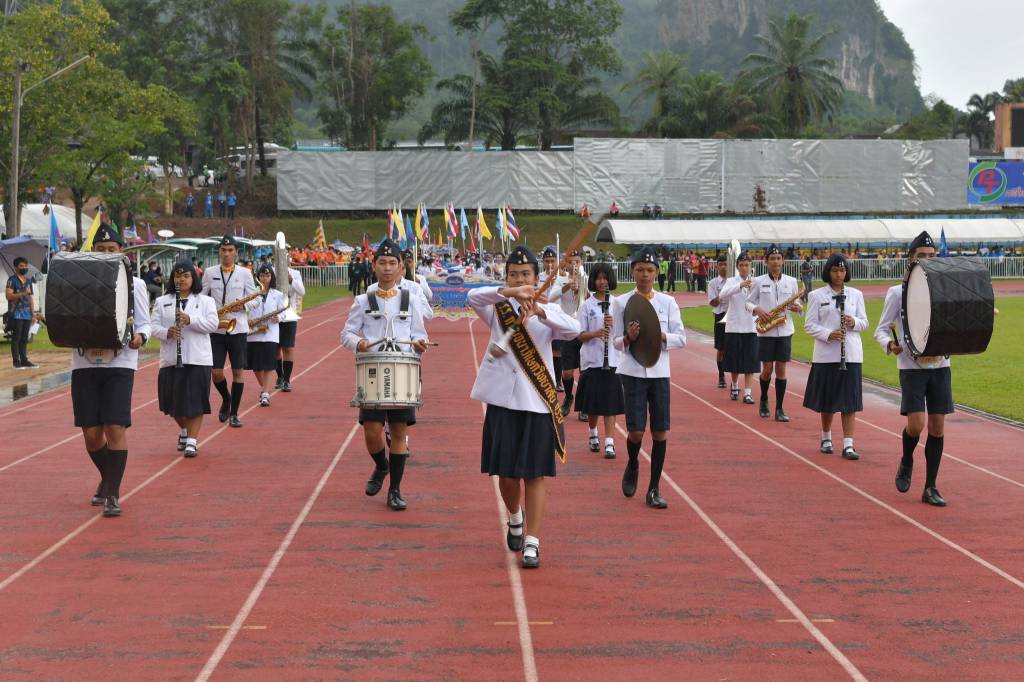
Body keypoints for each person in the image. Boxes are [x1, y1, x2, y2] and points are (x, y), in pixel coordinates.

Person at [469, 245, 581, 568]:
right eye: (514, 275)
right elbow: (472, 298)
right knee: (505, 474)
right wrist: (509, 293)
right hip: (503, 402)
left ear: (536, 277)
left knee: (534, 474)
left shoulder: (548, 310)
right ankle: (515, 516)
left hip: (536, 403)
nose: (520, 279)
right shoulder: (497, 308)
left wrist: (541, 312)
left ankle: (532, 541)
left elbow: (573, 331)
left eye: (525, 275)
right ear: (507, 279)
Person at [342, 239, 430, 511]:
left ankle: (395, 490)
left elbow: (419, 334)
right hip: (373, 370)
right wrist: (359, 343)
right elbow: (347, 333)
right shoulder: (363, 300)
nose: (388, 268)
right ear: (374, 266)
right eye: (382, 263)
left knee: (400, 431)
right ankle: (382, 466)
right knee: (372, 431)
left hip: (402, 369)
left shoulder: (411, 299)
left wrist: (420, 344)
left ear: (402, 267)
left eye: (393, 263)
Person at [70, 225, 151, 517]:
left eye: (111, 249)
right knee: (92, 434)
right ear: (93, 251)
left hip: (120, 362)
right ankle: (108, 477)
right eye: (101, 250)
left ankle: (113, 494)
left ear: (121, 251)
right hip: (84, 363)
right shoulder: (78, 281)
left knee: (115, 426)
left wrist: (141, 337)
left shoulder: (135, 284)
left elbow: (144, 323)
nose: (106, 254)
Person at [873, 231, 952, 507]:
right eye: (922, 256)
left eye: (932, 256)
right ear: (911, 260)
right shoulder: (898, 292)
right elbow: (881, 329)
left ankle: (930, 486)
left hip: (940, 365)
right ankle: (907, 459)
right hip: (911, 367)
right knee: (917, 424)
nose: (927, 260)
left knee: (938, 427)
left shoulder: (945, 289)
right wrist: (889, 344)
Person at [612, 248, 686, 509]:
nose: (645, 274)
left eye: (650, 270)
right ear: (633, 271)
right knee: (635, 431)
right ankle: (633, 463)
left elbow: (681, 338)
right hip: (632, 371)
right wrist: (629, 338)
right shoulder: (621, 302)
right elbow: (615, 342)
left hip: (659, 372)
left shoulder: (668, 302)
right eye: (640, 269)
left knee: (660, 431)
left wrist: (660, 336)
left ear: (656, 273)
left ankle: (654, 488)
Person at [803, 254, 868, 460]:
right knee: (828, 400)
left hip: (851, 354)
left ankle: (848, 444)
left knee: (850, 401)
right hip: (826, 355)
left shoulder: (856, 294)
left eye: (842, 270)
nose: (839, 274)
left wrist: (853, 322)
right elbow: (809, 325)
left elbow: (864, 322)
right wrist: (828, 334)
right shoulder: (816, 296)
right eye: (835, 270)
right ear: (828, 272)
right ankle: (826, 437)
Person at [152, 260, 219, 458]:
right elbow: (152, 326)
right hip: (171, 358)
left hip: (198, 358)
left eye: (186, 276)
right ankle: (184, 430)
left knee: (196, 401)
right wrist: (167, 332)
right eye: (177, 276)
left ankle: (192, 440)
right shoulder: (162, 301)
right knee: (172, 402)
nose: (181, 279)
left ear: (193, 278)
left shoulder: (206, 301)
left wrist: (191, 320)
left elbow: (213, 324)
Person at [201, 234, 260, 428]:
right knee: (216, 372)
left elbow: (256, 299)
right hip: (216, 328)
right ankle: (226, 399)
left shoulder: (245, 273)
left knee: (237, 371)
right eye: (223, 250)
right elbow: (202, 296)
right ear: (219, 251)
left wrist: (243, 306)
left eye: (230, 250)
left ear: (236, 252)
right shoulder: (209, 272)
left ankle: (234, 413)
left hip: (238, 328)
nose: (226, 253)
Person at [747, 244, 802, 422]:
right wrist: (757, 309)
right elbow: (748, 302)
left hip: (785, 329)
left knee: (781, 369)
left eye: (778, 259)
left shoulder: (791, 281)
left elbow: (798, 303)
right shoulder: (758, 281)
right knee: (767, 369)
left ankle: (779, 408)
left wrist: (798, 307)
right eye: (772, 259)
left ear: (783, 261)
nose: (776, 262)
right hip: (766, 331)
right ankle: (764, 399)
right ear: (766, 261)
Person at [575, 262, 624, 458]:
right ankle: (593, 432)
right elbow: (579, 335)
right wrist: (595, 333)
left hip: (613, 361)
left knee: (610, 404)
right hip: (593, 361)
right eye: (599, 278)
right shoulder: (586, 305)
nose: (602, 282)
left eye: (605, 278)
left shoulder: (618, 304)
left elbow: (625, 333)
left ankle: (610, 442)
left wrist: (615, 324)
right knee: (594, 404)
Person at [719, 253, 759, 403]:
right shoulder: (731, 281)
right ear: (737, 267)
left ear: (751, 266)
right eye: (741, 265)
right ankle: (735, 385)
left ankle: (748, 392)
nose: (744, 268)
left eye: (746, 265)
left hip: (751, 326)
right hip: (734, 326)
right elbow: (722, 295)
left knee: (751, 361)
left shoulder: (756, 282)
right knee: (734, 361)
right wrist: (739, 286)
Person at [247, 265, 287, 406]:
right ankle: (265, 387)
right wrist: (247, 320)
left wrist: (278, 317)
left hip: (270, 333)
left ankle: (265, 392)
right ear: (258, 277)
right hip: (253, 332)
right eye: (262, 276)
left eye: (267, 276)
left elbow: (283, 312)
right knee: (255, 365)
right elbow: (245, 309)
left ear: (272, 277)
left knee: (269, 364)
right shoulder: (251, 292)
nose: (265, 278)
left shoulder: (277, 294)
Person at [557, 249, 587, 419]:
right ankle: (569, 397)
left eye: (577, 261)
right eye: (571, 262)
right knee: (567, 372)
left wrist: (583, 289)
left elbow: (592, 299)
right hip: (568, 330)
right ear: (566, 263)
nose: (574, 265)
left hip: (584, 330)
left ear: (581, 262)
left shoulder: (586, 278)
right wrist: (568, 286)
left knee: (584, 372)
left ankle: (583, 405)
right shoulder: (560, 279)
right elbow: (551, 296)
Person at [538, 247, 565, 391]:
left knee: (557, 351)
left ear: (557, 262)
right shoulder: (538, 277)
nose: (549, 264)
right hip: (541, 316)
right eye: (547, 261)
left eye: (552, 261)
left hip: (557, 316)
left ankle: (557, 380)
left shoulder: (562, 277)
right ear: (543, 262)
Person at [275, 265, 305, 391]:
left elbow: (302, 291)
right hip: (274, 315)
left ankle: (287, 380)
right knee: (275, 349)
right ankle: (280, 376)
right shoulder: (271, 271)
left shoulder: (295, 273)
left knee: (288, 348)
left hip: (289, 315)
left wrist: (291, 280)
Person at [5, 257, 37, 369]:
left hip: (27, 314)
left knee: (24, 338)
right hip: (16, 313)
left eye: (25, 266)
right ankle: (16, 361)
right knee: (16, 337)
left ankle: (24, 360)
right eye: (21, 266)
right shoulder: (11, 280)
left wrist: (33, 314)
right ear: (16, 267)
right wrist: (23, 293)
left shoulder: (28, 281)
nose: (24, 268)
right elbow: (8, 296)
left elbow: (30, 298)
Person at [707, 256, 730, 388]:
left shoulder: (734, 280)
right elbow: (713, 303)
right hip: (721, 315)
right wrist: (724, 293)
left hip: (734, 315)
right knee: (721, 348)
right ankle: (721, 376)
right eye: (721, 264)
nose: (723, 267)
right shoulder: (713, 283)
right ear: (716, 267)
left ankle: (734, 379)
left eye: (725, 264)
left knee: (734, 347)